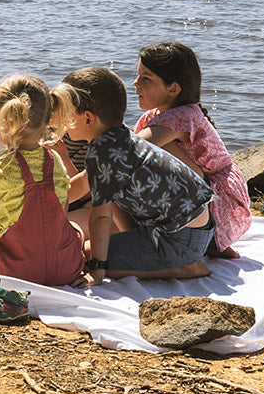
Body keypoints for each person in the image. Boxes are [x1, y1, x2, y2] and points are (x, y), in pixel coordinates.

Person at [60, 66, 215, 285]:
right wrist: (48, 200)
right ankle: (144, 249)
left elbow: (101, 217)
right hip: (197, 227)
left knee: (84, 253)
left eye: (67, 116)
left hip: (180, 240)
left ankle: (183, 269)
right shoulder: (119, 137)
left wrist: (98, 269)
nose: (64, 125)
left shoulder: (103, 153)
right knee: (107, 192)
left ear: (87, 119)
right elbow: (85, 182)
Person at [0, 74, 86, 287]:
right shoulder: (55, 160)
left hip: (16, 271)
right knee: (73, 228)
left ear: (2, 122)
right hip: (63, 269)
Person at [132, 42, 251, 258]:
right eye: (138, 75)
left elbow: (130, 150)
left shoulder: (182, 116)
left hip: (219, 203)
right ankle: (214, 245)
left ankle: (211, 239)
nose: (135, 83)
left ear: (174, 88)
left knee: (151, 149)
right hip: (207, 195)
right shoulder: (156, 116)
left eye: (145, 78)